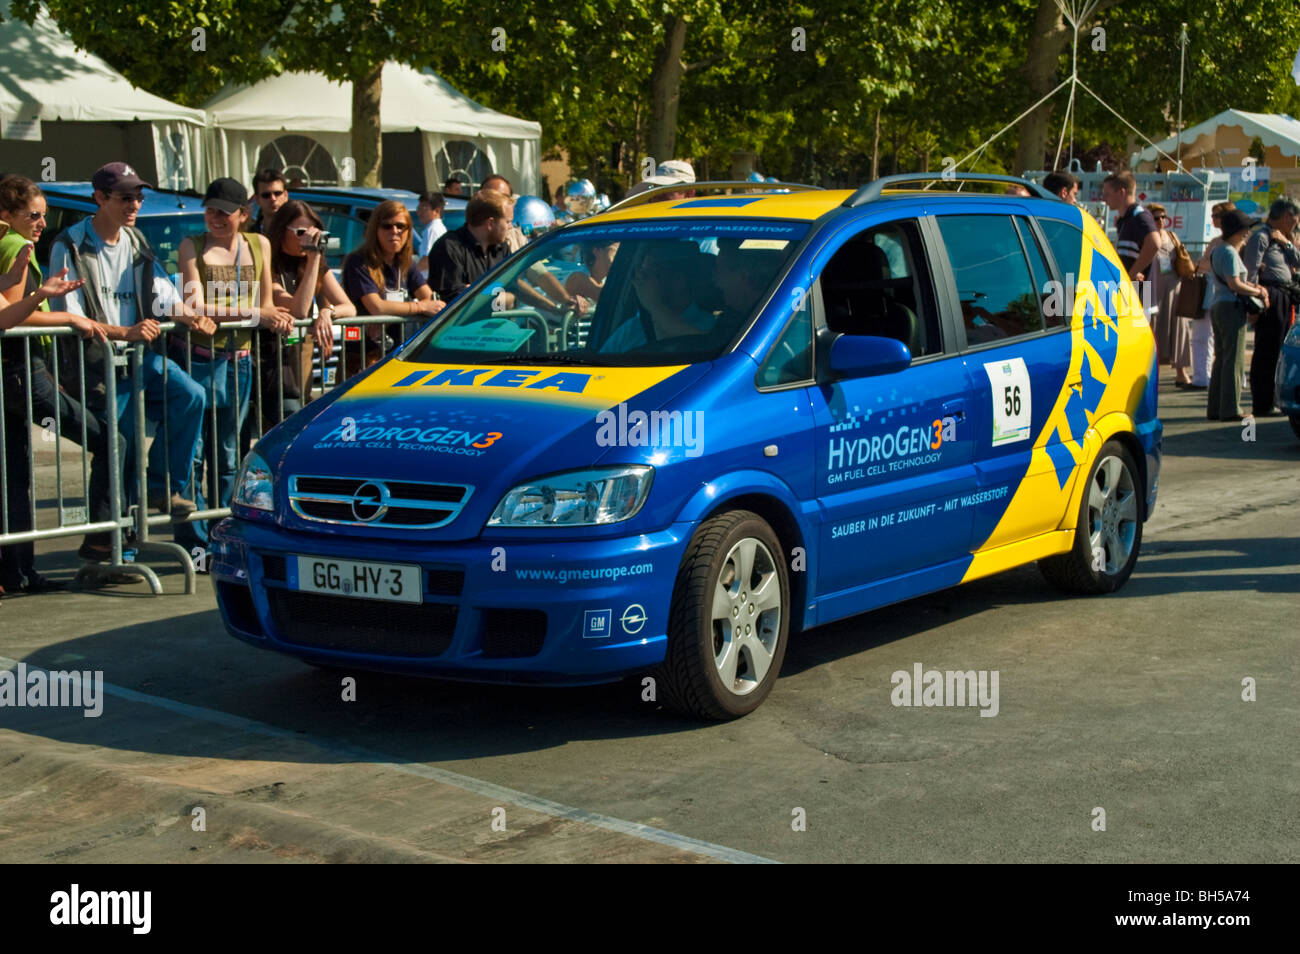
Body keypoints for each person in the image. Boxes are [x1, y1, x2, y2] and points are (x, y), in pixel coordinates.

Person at [48, 161, 217, 564]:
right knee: (118, 448)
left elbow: (163, 292)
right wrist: (126, 333)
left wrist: (188, 315)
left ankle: (161, 485)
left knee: (191, 395)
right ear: (100, 198)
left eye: (139, 196)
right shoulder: (69, 245)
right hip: (100, 369)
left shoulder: (137, 240)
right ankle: (109, 547)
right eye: (126, 197)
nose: (135, 203)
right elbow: (70, 317)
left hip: (141, 362)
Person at [177, 178, 293, 540]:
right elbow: (194, 304)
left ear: (243, 214)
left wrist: (270, 314)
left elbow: (268, 305)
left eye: (225, 212)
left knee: (228, 453)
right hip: (198, 359)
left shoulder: (259, 244)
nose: (215, 217)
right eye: (210, 210)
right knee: (195, 451)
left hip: (240, 360)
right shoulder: (190, 246)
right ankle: (193, 537)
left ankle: (224, 531)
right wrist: (256, 314)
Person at [0, 209, 106, 596]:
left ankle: (16, 573)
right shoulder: (14, 244)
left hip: (18, 372)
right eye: (33, 214)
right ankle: (99, 545)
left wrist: (32, 291)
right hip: (18, 371)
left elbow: (3, 314)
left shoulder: (13, 248)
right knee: (110, 441)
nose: (42, 223)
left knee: (13, 478)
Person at [267, 199, 357, 416]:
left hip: (301, 354)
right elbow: (297, 310)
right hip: (274, 358)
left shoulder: (313, 264)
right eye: (300, 232)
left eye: (312, 233)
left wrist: (327, 312)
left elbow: (349, 307)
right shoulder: (269, 263)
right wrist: (313, 257)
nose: (307, 239)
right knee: (287, 414)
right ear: (282, 231)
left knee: (303, 413)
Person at [341, 199, 444, 369]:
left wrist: (424, 305)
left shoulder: (406, 263)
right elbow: (377, 307)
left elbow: (430, 299)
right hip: (362, 355)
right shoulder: (358, 261)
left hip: (397, 353)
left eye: (400, 226)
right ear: (375, 229)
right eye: (387, 226)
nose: (394, 231)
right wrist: (419, 308)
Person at [478, 175, 589, 314]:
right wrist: (509, 298)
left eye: (503, 197)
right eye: (491, 196)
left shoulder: (515, 235)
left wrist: (567, 301)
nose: (497, 202)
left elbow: (536, 273)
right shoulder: (457, 244)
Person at [1205, 209, 1270, 422]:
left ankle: (1215, 407)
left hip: (1218, 305)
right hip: (1231, 307)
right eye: (1245, 229)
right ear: (1238, 231)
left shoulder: (1218, 250)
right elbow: (1235, 283)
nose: (1247, 234)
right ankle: (1231, 408)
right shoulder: (1230, 252)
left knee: (1221, 358)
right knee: (1234, 360)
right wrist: (1258, 291)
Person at [1241, 197, 1300, 416]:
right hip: (1269, 296)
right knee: (1266, 350)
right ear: (1286, 216)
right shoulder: (1261, 236)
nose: (1296, 224)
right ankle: (1263, 403)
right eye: (1295, 220)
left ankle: (1272, 399)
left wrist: (1286, 242)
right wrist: (1253, 304)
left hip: (1285, 296)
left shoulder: (1282, 239)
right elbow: (1251, 270)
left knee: (1277, 350)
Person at [601, 242, 716, 352]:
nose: (641, 279)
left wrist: (654, 305)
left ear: (679, 279)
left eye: (652, 271)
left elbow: (698, 349)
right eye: (642, 271)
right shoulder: (631, 329)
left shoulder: (710, 327)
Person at [425, 190, 515, 303]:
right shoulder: (448, 248)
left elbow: (515, 291)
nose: (511, 227)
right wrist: (502, 297)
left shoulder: (501, 248)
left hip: (499, 320)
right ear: (490, 223)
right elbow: (456, 302)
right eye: (508, 222)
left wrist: (480, 294)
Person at [1189, 202, 1236, 389]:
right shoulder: (1218, 241)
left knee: (1209, 336)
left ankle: (1205, 376)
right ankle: (1203, 375)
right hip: (1212, 290)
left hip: (1218, 291)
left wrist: (1202, 263)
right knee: (1206, 336)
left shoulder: (1223, 243)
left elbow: (1206, 264)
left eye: (1216, 215)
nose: (1213, 219)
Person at [1144, 203, 1185, 383]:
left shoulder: (1171, 236)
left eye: (1163, 217)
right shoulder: (1145, 237)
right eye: (1156, 218)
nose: (1161, 221)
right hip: (1151, 288)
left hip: (1173, 286)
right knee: (1151, 329)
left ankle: (1181, 372)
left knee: (1179, 328)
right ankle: (1151, 373)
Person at [1101, 171, 1159, 279]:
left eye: (1107, 194)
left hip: (1142, 292)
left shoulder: (1139, 215)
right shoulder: (1124, 219)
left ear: (1121, 193)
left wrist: (1132, 274)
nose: (1103, 199)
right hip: (1129, 290)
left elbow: (1154, 243)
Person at [412, 192, 447, 276]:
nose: (419, 213)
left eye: (423, 208)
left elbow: (427, 260)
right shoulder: (433, 228)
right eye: (418, 208)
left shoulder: (433, 229)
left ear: (436, 211)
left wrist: (408, 277)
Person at [625, 159, 696, 200]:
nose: (657, 194)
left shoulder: (700, 221)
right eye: (655, 187)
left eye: (666, 188)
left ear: (689, 194)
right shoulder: (644, 222)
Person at [250, 169, 288, 234]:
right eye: (266, 195)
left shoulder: (297, 233)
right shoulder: (249, 235)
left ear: (285, 195)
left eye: (277, 193)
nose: (273, 198)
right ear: (257, 199)